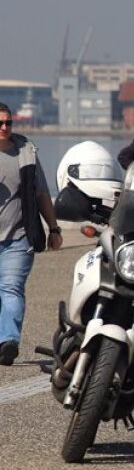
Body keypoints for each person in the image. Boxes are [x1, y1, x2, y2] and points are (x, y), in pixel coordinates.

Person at [0, 102, 63, 366]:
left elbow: (41, 193)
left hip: (20, 236)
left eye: (8, 122)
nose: (5, 127)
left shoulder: (26, 151)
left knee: (12, 288)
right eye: (0, 123)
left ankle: (8, 342)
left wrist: (54, 227)